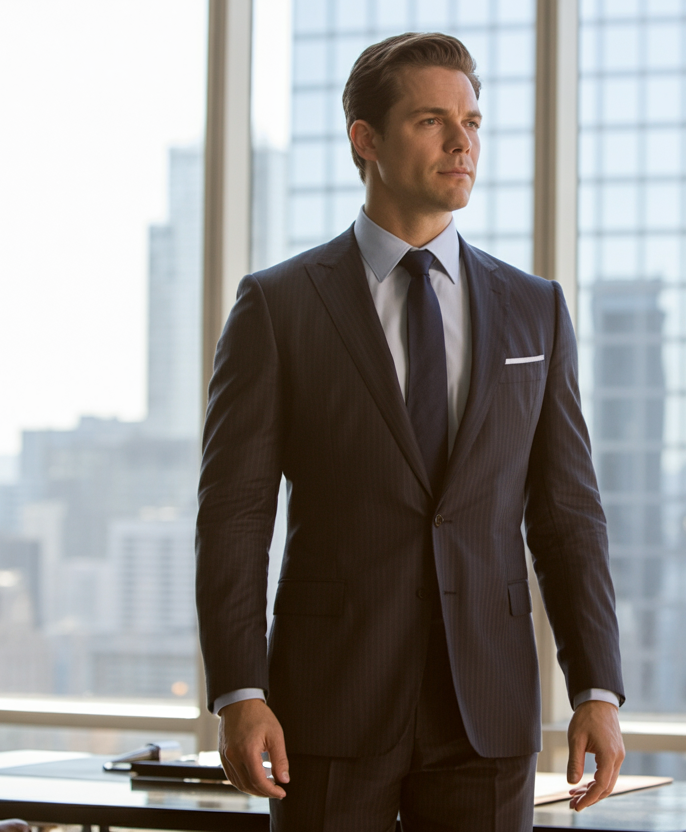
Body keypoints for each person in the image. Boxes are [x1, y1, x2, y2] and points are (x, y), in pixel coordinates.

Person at [195, 32, 625, 832]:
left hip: (486, 709)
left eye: (472, 122)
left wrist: (596, 688)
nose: (463, 143)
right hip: (330, 703)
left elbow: (567, 515)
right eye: (433, 121)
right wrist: (240, 692)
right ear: (366, 139)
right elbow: (234, 516)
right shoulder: (279, 307)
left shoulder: (535, 310)